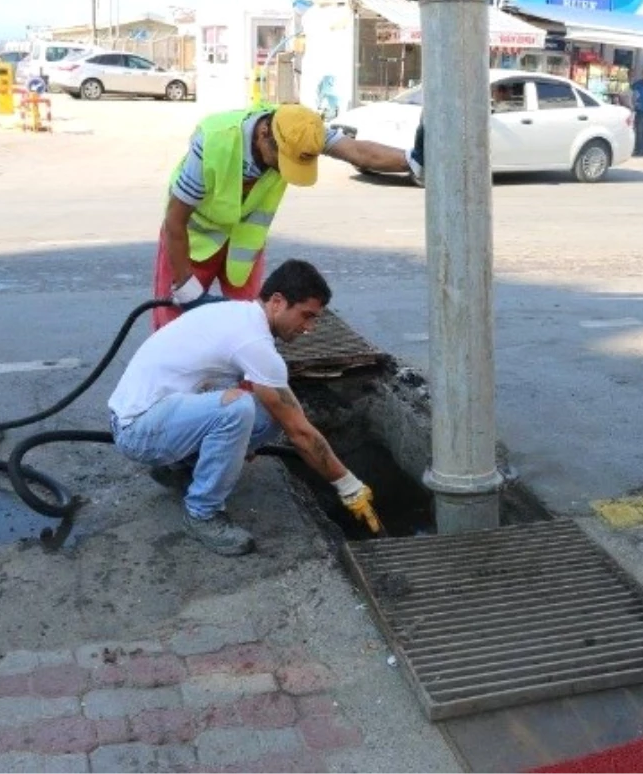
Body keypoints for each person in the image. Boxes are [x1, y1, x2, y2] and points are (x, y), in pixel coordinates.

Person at [109, 259, 381, 556]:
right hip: (136, 429)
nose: (309, 328)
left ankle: (180, 467)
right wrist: (348, 486)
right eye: (306, 316)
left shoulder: (240, 316)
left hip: (158, 416)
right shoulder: (253, 341)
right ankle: (202, 513)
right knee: (237, 409)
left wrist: (234, 443)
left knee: (271, 413)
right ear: (277, 302)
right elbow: (301, 434)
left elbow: (285, 415)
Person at [153, 102, 424, 331]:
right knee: (174, 325)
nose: (285, 170)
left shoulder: (301, 130)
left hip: (242, 247)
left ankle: (245, 391)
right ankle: (169, 392)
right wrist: (187, 287)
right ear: (262, 135)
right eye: (283, 161)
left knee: (252, 324)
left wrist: (411, 161)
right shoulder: (213, 141)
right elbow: (175, 221)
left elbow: (359, 152)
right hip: (191, 241)